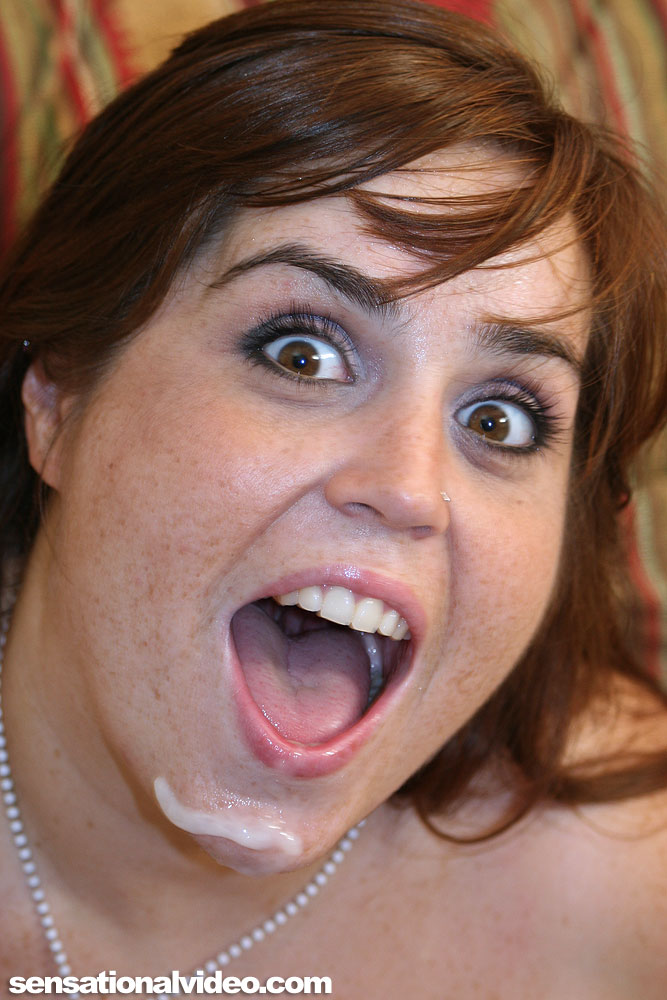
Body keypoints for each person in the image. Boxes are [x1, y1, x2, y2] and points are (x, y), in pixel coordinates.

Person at [1, 0, 666, 996]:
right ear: (57, 396)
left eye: (498, 420)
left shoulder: (624, 885)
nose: (407, 488)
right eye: (303, 354)